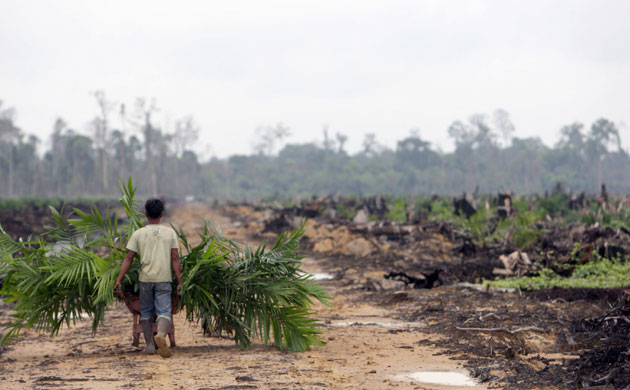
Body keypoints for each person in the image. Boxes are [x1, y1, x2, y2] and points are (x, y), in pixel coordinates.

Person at [114, 198, 183, 358]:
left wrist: (118, 279)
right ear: (162, 214)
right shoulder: (170, 233)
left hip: (145, 280)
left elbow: (128, 258)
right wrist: (180, 280)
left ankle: (151, 346)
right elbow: (174, 259)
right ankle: (160, 334)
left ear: (146, 214)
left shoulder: (138, 234)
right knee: (164, 311)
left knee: (145, 312)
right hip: (164, 278)